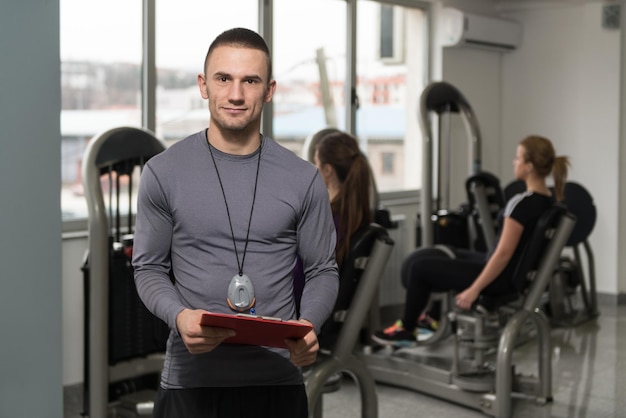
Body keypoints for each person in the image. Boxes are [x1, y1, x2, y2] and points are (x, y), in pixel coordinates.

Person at [132, 28, 339, 418]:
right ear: (203, 85)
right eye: (223, 78)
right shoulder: (163, 172)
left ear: (270, 90)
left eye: (250, 80)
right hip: (191, 382)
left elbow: (322, 269)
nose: (236, 94)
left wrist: (309, 324)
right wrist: (179, 316)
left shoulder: (303, 178)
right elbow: (148, 267)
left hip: (277, 381)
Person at [373, 135, 569, 346]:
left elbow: (503, 254)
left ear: (529, 166)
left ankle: (406, 330)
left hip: (498, 277)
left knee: (419, 268)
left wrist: (474, 289)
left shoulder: (521, 205)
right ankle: (431, 317)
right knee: (438, 253)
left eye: (518, 158)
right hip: (506, 273)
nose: (514, 162)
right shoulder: (549, 201)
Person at [293, 130, 375, 329]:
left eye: (317, 164)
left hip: (300, 313)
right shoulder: (355, 219)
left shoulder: (326, 221)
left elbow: (297, 279)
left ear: (328, 170)